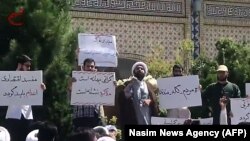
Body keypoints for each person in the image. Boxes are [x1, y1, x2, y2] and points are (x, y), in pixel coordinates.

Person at [4, 54, 46, 141]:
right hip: (13, 114)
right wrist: (17, 71)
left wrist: (41, 88)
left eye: (30, 66)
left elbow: (35, 94)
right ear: (20, 65)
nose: (29, 68)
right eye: (27, 66)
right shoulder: (9, 77)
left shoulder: (32, 79)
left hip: (27, 115)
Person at [68, 58, 105, 130]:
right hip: (80, 115)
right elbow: (70, 95)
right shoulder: (76, 79)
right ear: (83, 67)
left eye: (92, 66)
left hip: (94, 116)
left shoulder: (101, 80)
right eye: (88, 66)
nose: (90, 68)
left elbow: (106, 92)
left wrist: (112, 85)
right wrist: (70, 84)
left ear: (95, 68)